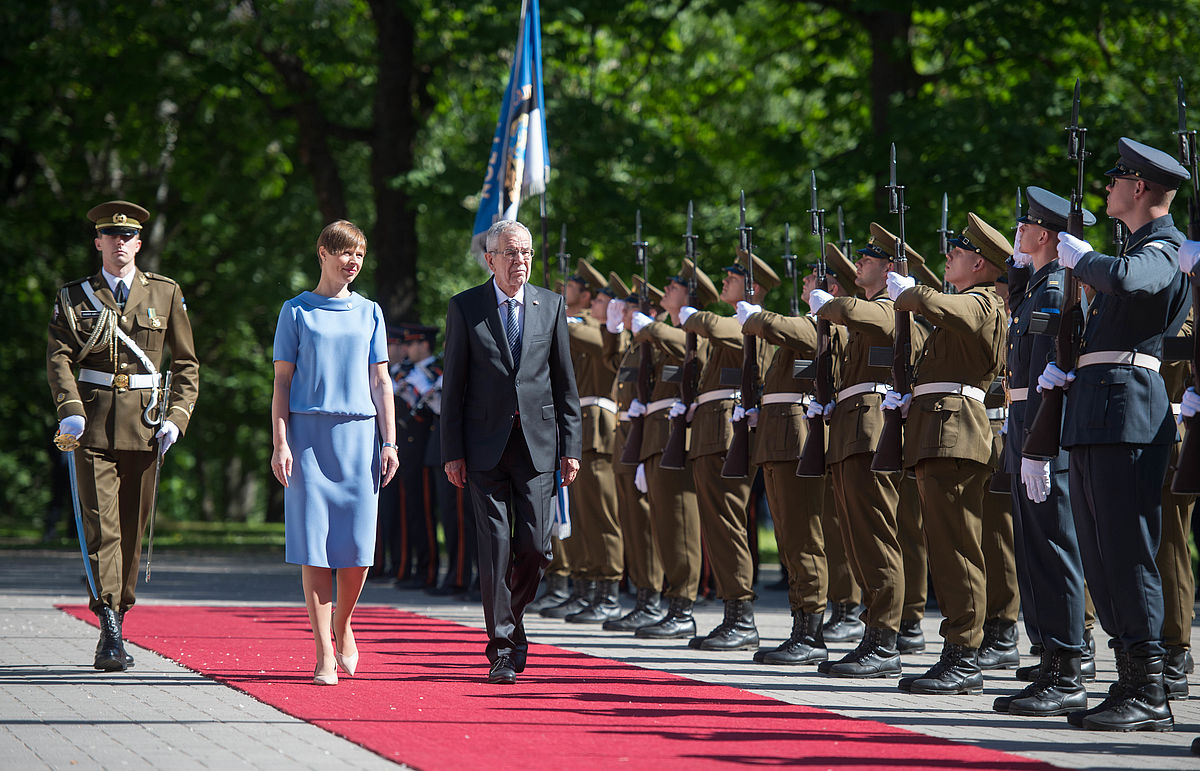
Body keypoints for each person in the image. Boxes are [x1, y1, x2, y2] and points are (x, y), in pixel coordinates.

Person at [1045, 138, 1190, 731]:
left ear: (1140, 189)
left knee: (1129, 553)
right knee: (1101, 556)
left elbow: (1130, 281)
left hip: (1129, 411)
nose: (1106, 188)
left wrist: (1082, 261)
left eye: (1115, 180)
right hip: (1096, 413)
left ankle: (1150, 688)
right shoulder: (1131, 249)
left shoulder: (1164, 248)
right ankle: (1128, 678)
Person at [48, 200, 201, 672]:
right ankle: (108, 626)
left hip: (147, 427)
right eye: (110, 236)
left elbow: (187, 363)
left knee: (132, 531)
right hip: (91, 427)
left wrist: (176, 417)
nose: (119, 243)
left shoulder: (165, 294)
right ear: (98, 242)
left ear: (138, 243)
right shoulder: (75, 297)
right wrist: (70, 410)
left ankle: (120, 606)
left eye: (127, 236)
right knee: (102, 528)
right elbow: (58, 358)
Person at [441, 219, 582, 684]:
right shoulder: (465, 308)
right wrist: (452, 451)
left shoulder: (551, 305)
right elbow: (454, 387)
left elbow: (565, 383)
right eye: (511, 253)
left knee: (538, 547)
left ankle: (511, 622)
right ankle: (502, 648)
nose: (520, 261)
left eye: (526, 253)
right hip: (484, 449)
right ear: (490, 258)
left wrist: (571, 446)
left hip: (539, 447)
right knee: (497, 548)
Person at [270, 219, 399, 686]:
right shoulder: (296, 311)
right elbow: (282, 383)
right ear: (322, 253)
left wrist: (390, 441)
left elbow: (381, 381)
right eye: (345, 253)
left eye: (360, 255)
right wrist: (280, 442)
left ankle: (343, 625)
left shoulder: (371, 312)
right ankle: (323, 648)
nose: (353, 262)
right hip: (307, 437)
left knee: (358, 551)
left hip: (359, 436)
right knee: (315, 547)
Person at [886, 212, 1007, 696]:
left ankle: (965, 654)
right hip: (938, 433)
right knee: (947, 547)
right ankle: (958, 649)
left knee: (958, 548)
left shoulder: (982, 303)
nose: (948, 257)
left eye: (956, 253)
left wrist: (912, 293)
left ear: (979, 263)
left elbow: (946, 308)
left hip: (956, 434)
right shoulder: (966, 302)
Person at [993, 187, 1094, 718]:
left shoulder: (1056, 286)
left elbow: (1052, 366)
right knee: (1033, 552)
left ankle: (1068, 667)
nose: (1018, 232)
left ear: (1048, 236)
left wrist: (1038, 442)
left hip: (1042, 430)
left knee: (1054, 552)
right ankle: (1050, 655)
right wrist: (1018, 269)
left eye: (1026, 226)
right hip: (1023, 424)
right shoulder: (1036, 286)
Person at [810, 226, 922, 678]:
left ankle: (885, 639)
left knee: (876, 534)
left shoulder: (890, 309)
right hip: (850, 429)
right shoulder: (861, 315)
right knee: (857, 539)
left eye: (869, 259)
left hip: (872, 429)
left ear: (890, 268)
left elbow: (865, 315)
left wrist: (827, 304)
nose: (858, 263)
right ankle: (872, 630)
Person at [677, 250, 775, 651]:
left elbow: (721, 329)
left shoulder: (751, 324)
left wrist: (690, 312)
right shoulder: (738, 322)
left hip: (728, 434)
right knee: (717, 525)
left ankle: (741, 615)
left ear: (751, 287)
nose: (725, 279)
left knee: (728, 523)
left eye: (733, 276)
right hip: (710, 430)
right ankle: (732, 610)